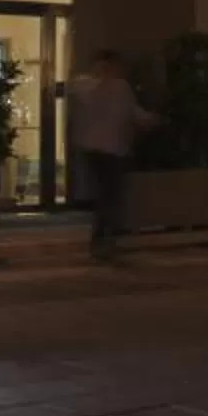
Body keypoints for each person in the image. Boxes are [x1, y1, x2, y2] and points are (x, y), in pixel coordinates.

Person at [65, 51, 153, 263]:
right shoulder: (89, 86)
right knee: (109, 196)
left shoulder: (117, 88)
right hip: (103, 151)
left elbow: (134, 113)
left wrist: (148, 120)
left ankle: (104, 240)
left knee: (109, 197)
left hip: (108, 150)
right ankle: (103, 241)